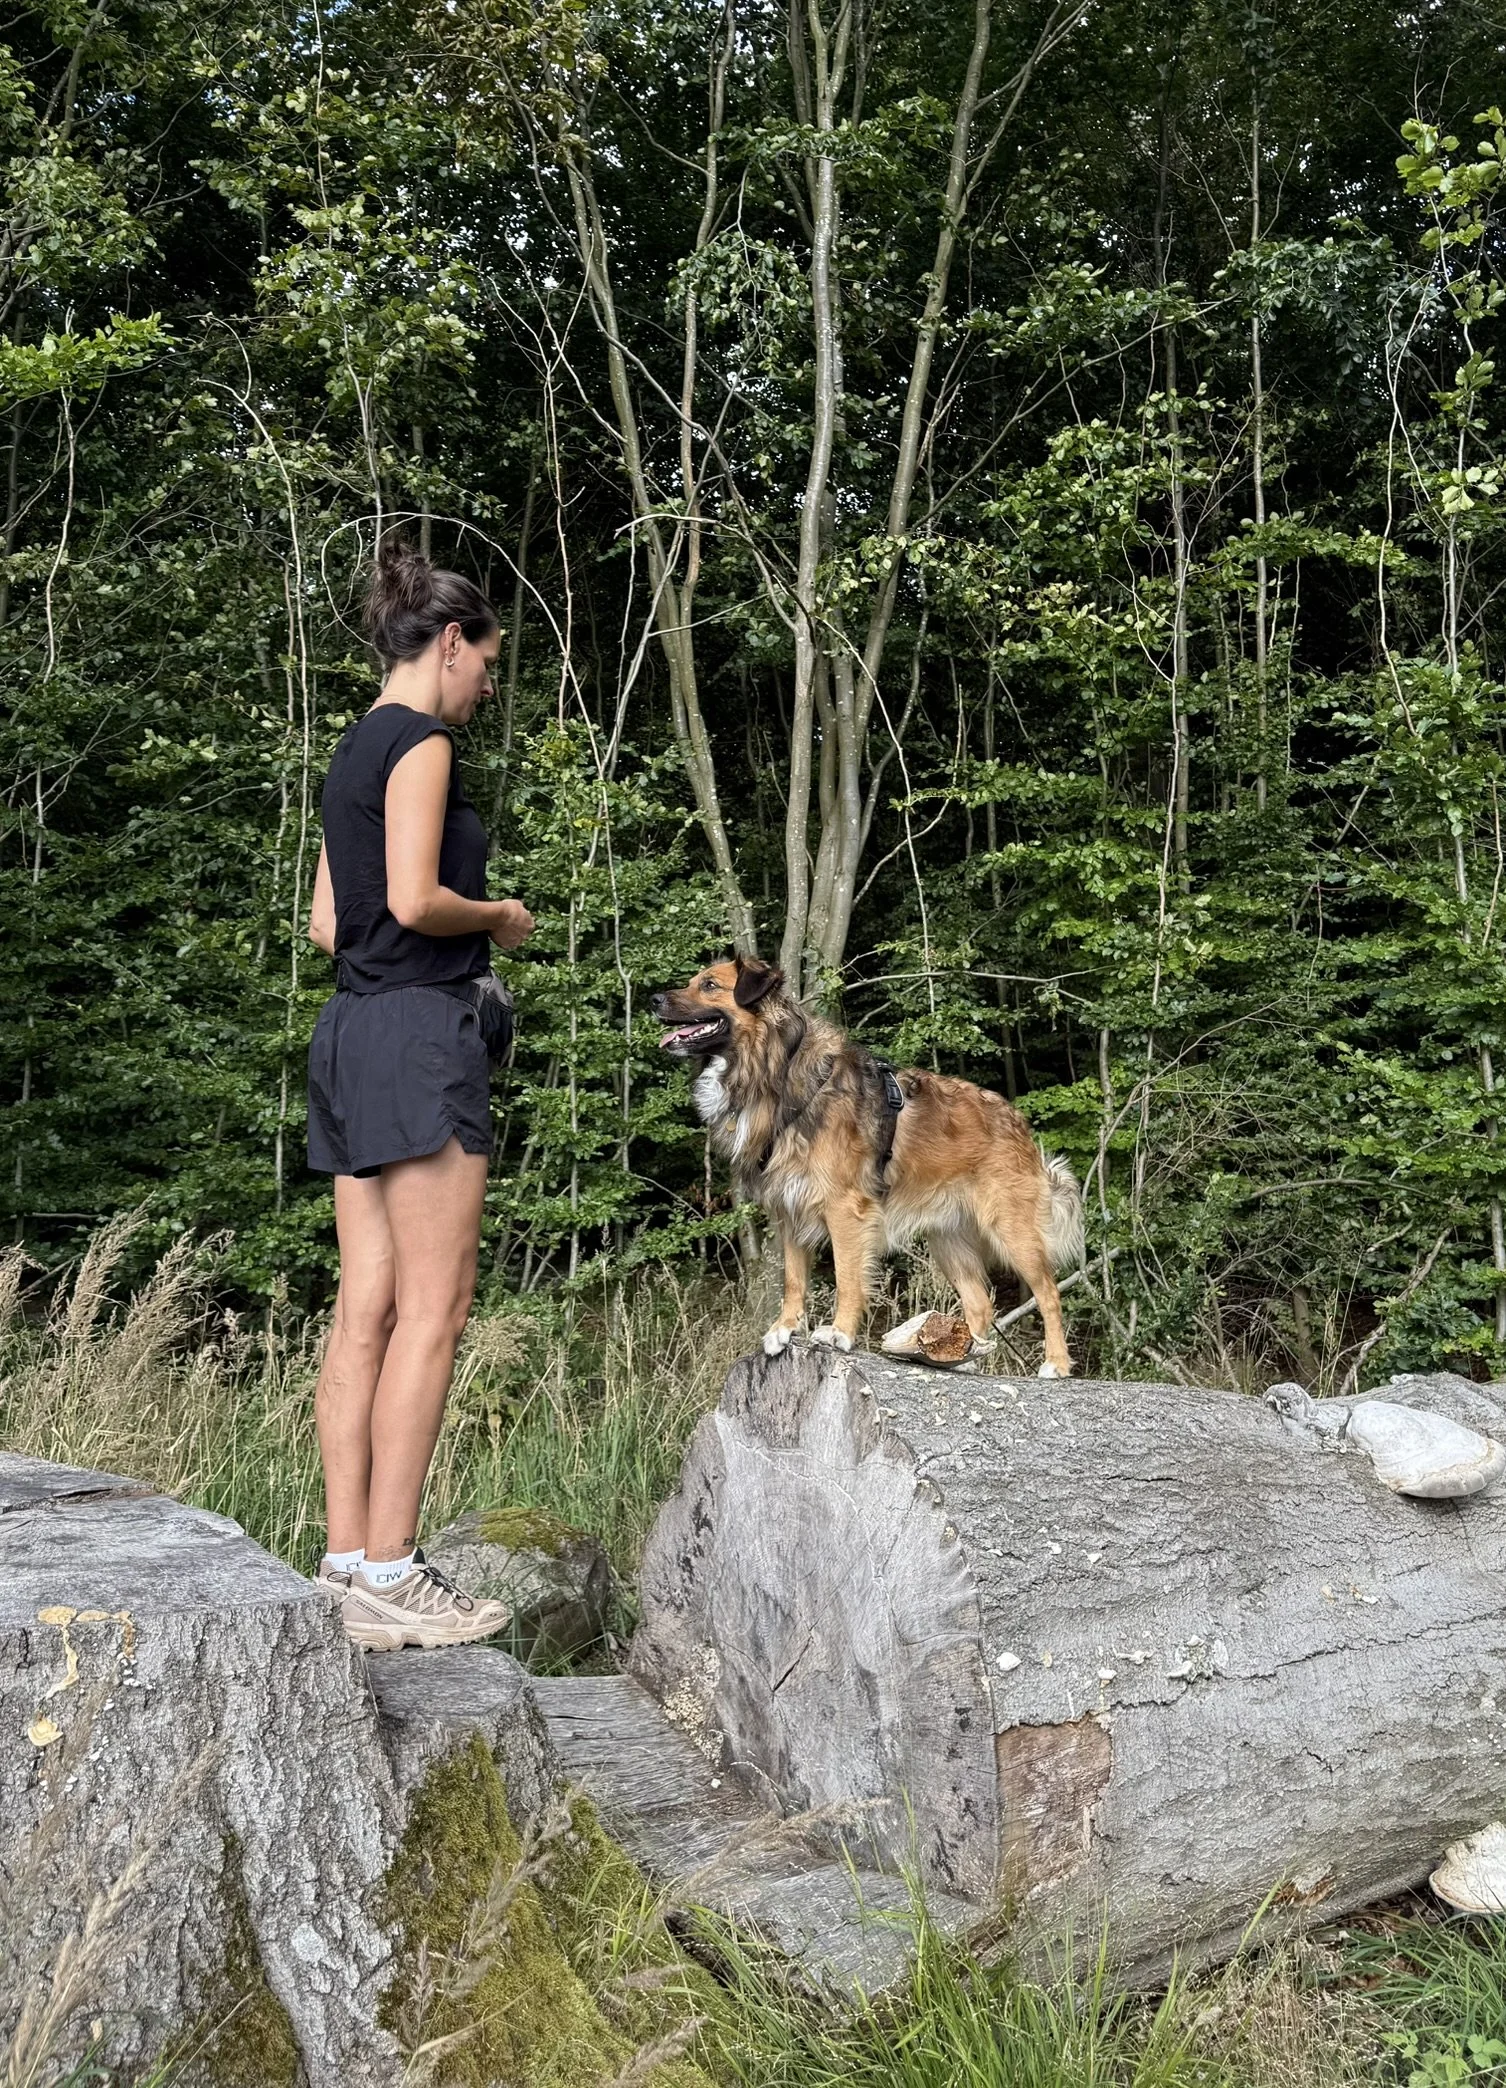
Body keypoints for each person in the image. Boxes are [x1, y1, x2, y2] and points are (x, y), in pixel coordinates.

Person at [304, 539, 534, 1651]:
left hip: (349, 1034)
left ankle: (347, 1565)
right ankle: (396, 1572)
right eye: (484, 663)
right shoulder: (424, 742)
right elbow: (411, 899)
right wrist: (499, 917)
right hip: (418, 1039)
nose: (485, 686)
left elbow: (328, 925)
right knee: (435, 1310)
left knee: (368, 1307)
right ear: (450, 642)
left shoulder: (353, 749)